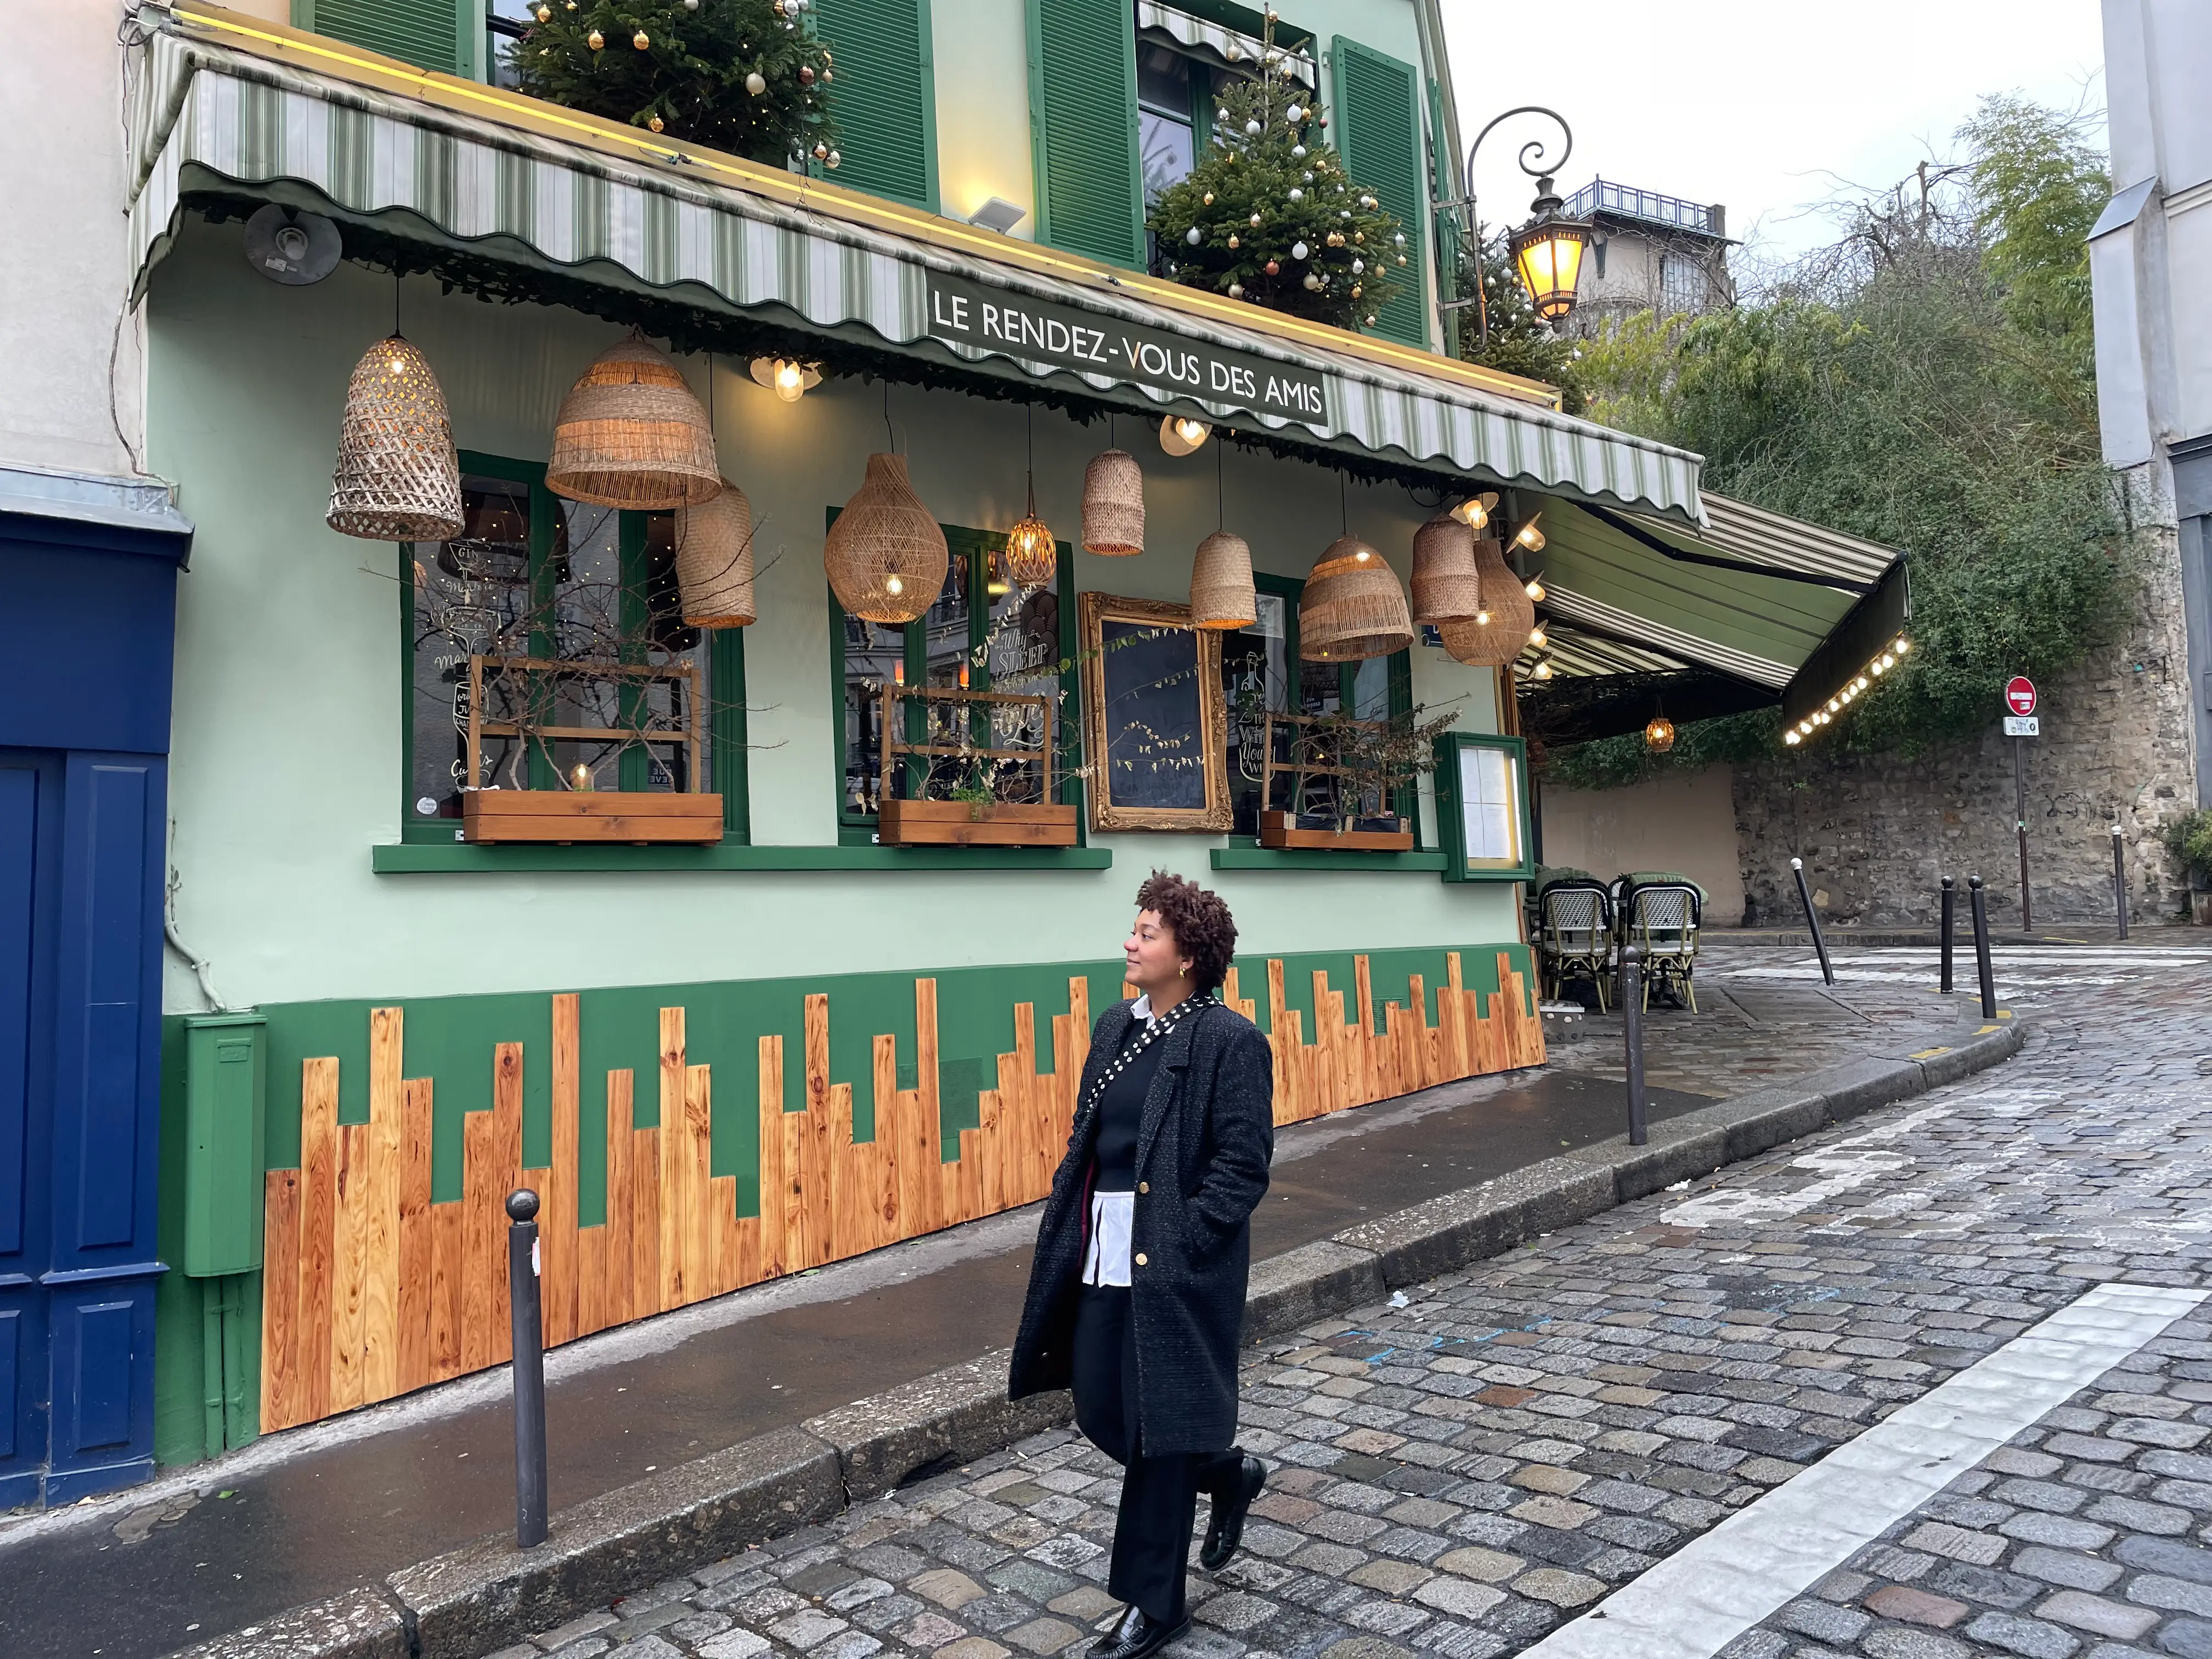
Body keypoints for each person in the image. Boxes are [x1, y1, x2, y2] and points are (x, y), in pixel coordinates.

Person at [1009, 871, 1276, 1659]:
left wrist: (1189, 1242)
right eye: (1135, 929)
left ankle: (1155, 1603)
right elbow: (1090, 1133)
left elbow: (1243, 1163)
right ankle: (1225, 1473)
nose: (1130, 942)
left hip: (1174, 1262)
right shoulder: (1114, 1027)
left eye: (1148, 933)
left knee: (1159, 1434)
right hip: (1100, 1245)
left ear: (1188, 955)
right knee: (1100, 1405)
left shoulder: (1229, 1039)